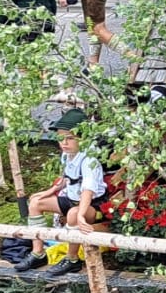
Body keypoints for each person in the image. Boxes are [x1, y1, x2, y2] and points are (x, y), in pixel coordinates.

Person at [27, 108, 108, 277]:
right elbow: (66, 178)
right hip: (71, 198)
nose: (64, 143)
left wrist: (81, 215)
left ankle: (72, 258)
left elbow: (87, 190)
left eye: (70, 138)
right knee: (35, 202)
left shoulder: (89, 161)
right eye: (60, 138)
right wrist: (51, 190)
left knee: (73, 214)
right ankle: (38, 253)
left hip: (92, 205)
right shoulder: (66, 155)